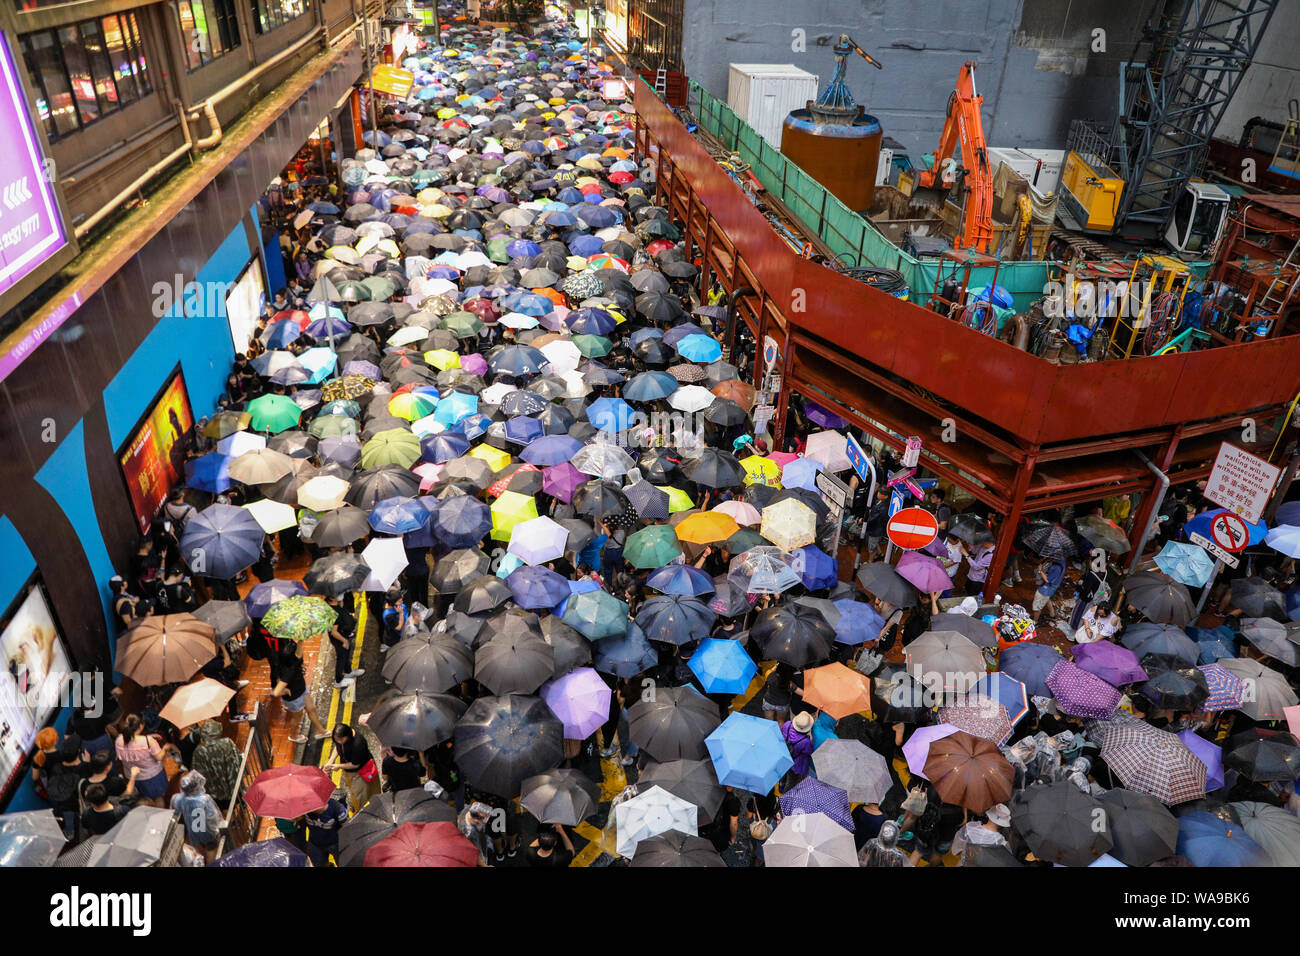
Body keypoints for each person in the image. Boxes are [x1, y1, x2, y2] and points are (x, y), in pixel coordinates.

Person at [270, 639, 330, 743]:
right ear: (291, 657)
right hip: (294, 698)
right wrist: (286, 691)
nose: (299, 652)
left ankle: (321, 731)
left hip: (301, 689)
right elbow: (276, 692)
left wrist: (300, 641)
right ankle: (294, 736)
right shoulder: (288, 671)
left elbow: (299, 651)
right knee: (297, 718)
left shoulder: (291, 661)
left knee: (311, 708)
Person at [113, 713, 175, 807]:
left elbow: (132, 741)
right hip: (153, 777)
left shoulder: (119, 740)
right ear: (141, 726)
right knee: (158, 798)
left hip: (133, 777)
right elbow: (158, 757)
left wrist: (148, 737)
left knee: (144, 799)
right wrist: (165, 748)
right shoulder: (148, 741)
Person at [324, 724, 379, 812]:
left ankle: (363, 812)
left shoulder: (358, 743)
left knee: (361, 796)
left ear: (348, 735)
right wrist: (331, 761)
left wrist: (338, 766)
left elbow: (355, 764)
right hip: (349, 770)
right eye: (336, 740)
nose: (339, 742)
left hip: (360, 772)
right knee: (354, 792)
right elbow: (337, 747)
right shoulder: (340, 739)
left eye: (341, 739)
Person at [170, 770, 222, 863]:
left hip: (191, 833)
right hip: (207, 832)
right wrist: (217, 831)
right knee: (211, 850)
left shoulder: (177, 799)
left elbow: (174, 816)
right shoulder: (205, 799)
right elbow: (213, 817)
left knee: (196, 854)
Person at [190, 720, 241, 807]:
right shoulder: (227, 743)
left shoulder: (199, 751)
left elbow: (197, 774)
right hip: (233, 787)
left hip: (215, 793)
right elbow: (238, 759)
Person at [1032, 557, 1066, 624]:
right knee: (1047, 599)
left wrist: (1040, 570)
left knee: (1037, 606)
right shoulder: (1062, 560)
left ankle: (1035, 621)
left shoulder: (1056, 567)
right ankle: (1052, 613)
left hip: (1045, 589)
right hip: (1051, 588)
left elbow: (1047, 580)